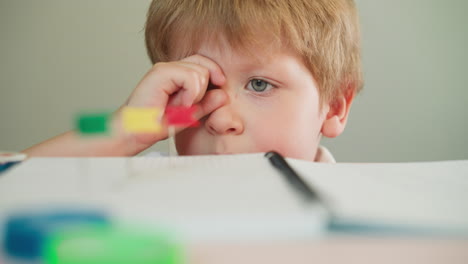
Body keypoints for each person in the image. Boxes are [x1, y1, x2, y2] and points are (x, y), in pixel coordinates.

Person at [23, 0, 363, 162]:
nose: (220, 120)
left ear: (334, 106)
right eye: (205, 86)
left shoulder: (361, 200)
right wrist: (125, 130)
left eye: (259, 84)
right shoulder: (147, 177)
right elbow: (10, 177)